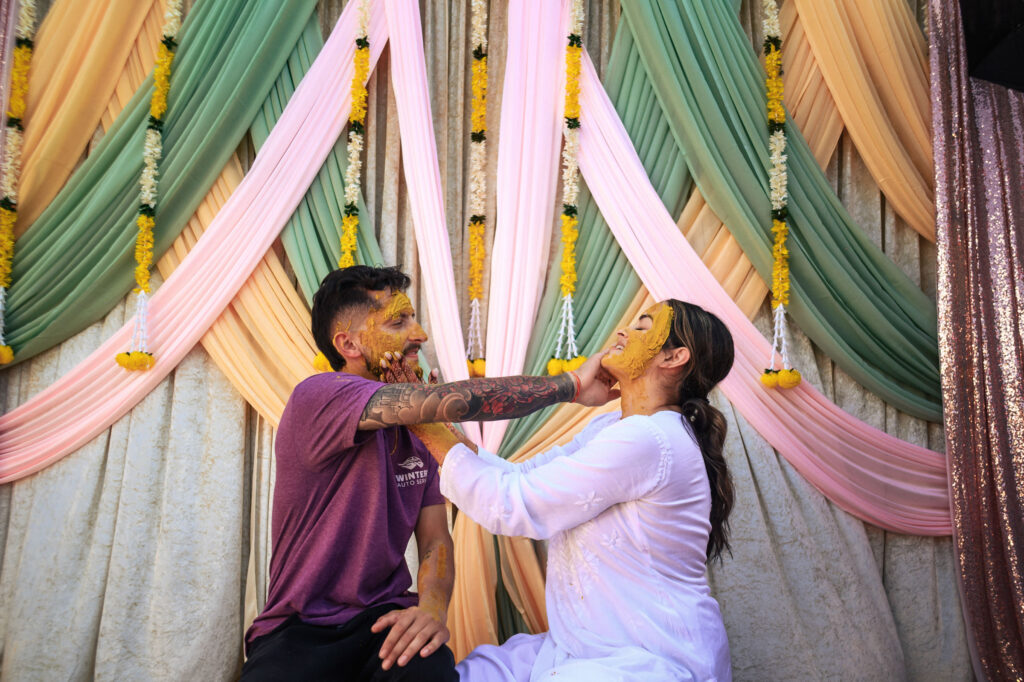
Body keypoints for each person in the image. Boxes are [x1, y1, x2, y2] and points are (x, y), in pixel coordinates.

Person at [241, 265, 616, 681]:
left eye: (414, 319)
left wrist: (432, 609)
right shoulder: (319, 395)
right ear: (348, 343)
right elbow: (451, 400)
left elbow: (436, 540)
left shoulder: (420, 429)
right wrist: (571, 386)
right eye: (399, 321)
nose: (419, 334)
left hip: (386, 623)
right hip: (298, 629)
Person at [390, 299, 736, 681]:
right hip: (582, 648)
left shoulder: (650, 438)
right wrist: (434, 419)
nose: (622, 331)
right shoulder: (611, 428)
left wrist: (418, 417)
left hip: (649, 656)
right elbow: (519, 476)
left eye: (641, 328)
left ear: (674, 358)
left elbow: (514, 503)